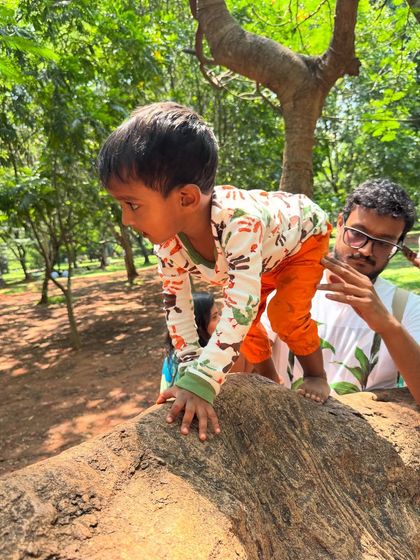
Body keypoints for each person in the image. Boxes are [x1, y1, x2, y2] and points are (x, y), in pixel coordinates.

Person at [98, 101, 331, 441]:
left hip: (302, 242)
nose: (126, 219)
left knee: (283, 314)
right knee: (245, 325)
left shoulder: (239, 222)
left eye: (132, 204)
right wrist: (191, 369)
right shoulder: (168, 244)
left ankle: (316, 375)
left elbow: (241, 304)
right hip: (264, 255)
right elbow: (177, 306)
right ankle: (269, 385)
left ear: (187, 198)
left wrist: (204, 381)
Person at [261, 179, 420, 405]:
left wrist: (388, 325)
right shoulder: (281, 288)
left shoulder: (408, 308)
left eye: (384, 243)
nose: (365, 250)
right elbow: (243, 366)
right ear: (339, 223)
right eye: (357, 233)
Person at [161, 291, 220, 392]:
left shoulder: (174, 354)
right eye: (214, 317)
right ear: (198, 326)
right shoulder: (205, 362)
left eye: (219, 314)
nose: (221, 320)